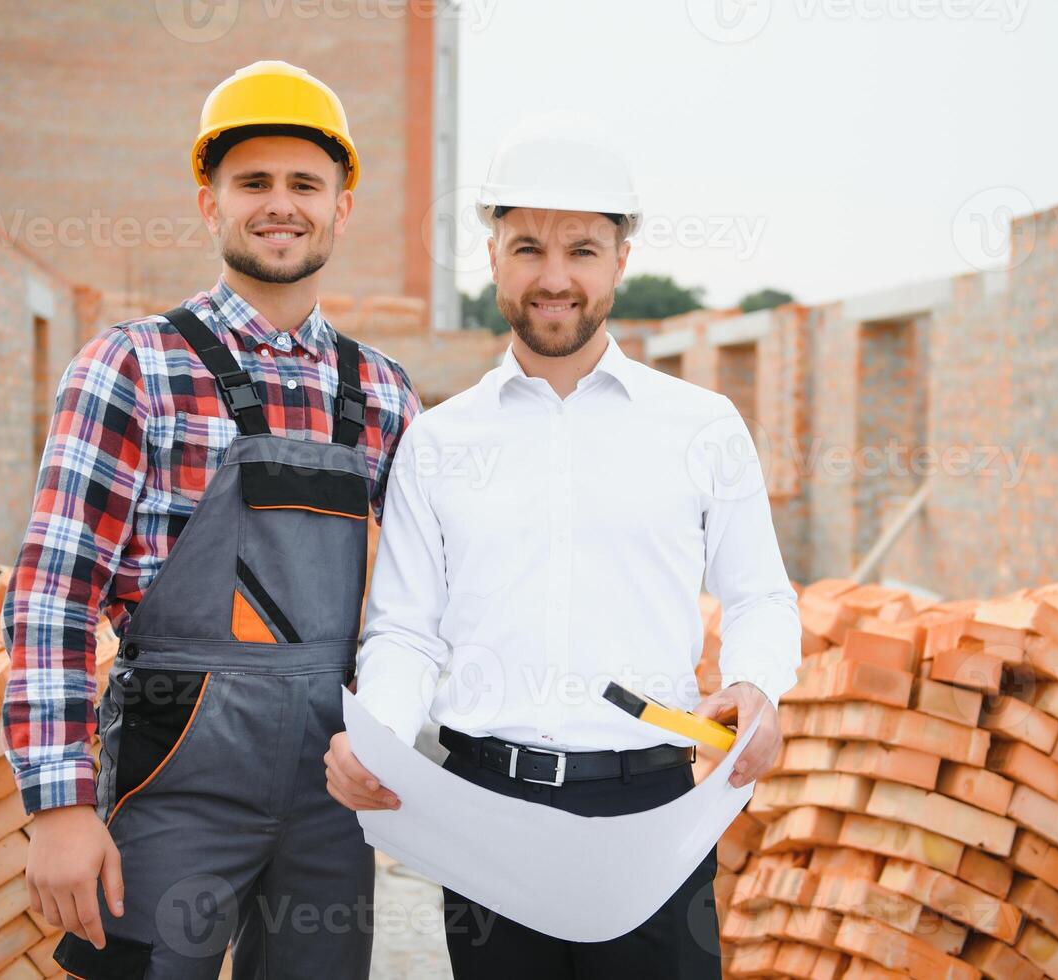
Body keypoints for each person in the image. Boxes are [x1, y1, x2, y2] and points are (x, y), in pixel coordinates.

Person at [324, 114, 801, 979]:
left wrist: (759, 686)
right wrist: (382, 736)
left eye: (581, 250)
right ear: (493, 257)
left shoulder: (700, 427)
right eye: (527, 248)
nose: (553, 278)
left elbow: (760, 596)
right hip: (485, 811)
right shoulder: (439, 441)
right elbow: (405, 631)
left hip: (651, 812)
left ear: (621, 259)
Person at [2, 61, 420, 979]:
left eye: (305, 184)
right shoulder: (134, 365)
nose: (281, 205)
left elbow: (427, 598)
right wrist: (60, 805)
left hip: (327, 791)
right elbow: (52, 599)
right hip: (171, 782)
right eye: (253, 184)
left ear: (341, 206)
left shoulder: (384, 394)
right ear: (209, 202)